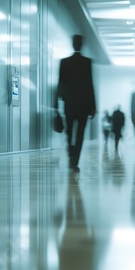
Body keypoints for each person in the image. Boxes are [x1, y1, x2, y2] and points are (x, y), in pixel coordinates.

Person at [55, 34, 96, 173]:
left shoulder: (64, 62)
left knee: (69, 132)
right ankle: (74, 160)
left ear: (73, 44)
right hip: (83, 105)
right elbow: (90, 85)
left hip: (70, 104)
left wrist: (56, 104)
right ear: (81, 45)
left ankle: (71, 156)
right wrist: (93, 106)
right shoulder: (87, 62)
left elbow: (60, 83)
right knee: (80, 134)